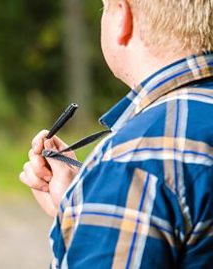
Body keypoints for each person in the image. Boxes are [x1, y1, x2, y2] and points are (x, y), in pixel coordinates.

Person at [19, 0, 213, 268]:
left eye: (104, 8)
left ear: (122, 15)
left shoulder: (135, 160)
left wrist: (109, 189)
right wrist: (84, 209)